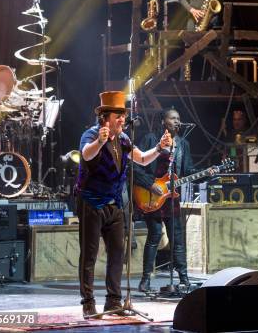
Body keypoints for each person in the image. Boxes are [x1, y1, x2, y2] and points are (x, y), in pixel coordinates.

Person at [76, 91, 172, 319]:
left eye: (123, 115)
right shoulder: (90, 135)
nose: (122, 119)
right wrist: (100, 141)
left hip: (115, 204)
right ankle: (88, 302)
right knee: (89, 255)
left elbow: (141, 159)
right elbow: (86, 155)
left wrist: (159, 148)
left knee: (118, 253)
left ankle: (113, 301)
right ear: (104, 118)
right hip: (91, 202)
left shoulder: (124, 140)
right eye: (118, 115)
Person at [134, 108, 212, 292]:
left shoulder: (183, 144)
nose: (177, 121)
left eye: (179, 118)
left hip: (171, 197)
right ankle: (145, 279)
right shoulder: (151, 139)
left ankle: (184, 278)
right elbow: (136, 168)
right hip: (151, 194)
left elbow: (187, 172)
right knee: (154, 236)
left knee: (177, 238)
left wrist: (206, 174)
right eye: (173, 118)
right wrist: (150, 184)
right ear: (164, 122)